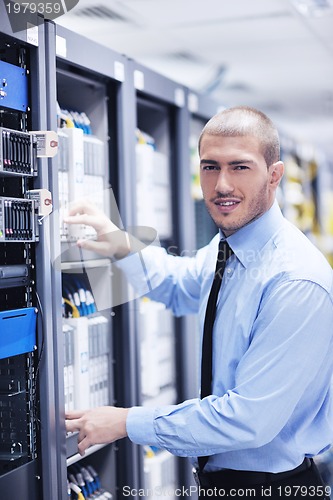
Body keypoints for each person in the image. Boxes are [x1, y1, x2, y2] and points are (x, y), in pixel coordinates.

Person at [65, 106, 333, 498]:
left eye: (239, 167)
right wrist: (120, 242)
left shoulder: (296, 280)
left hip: (275, 488)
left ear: (274, 175)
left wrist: (127, 422)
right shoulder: (226, 248)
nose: (221, 184)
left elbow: (248, 418)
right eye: (210, 167)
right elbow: (179, 284)